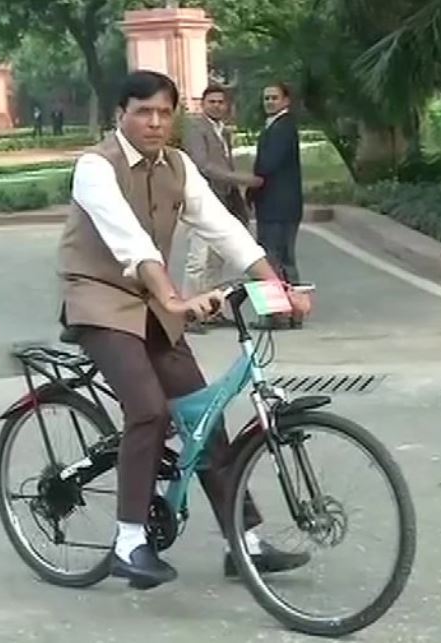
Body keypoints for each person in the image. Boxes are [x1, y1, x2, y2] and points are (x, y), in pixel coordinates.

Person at [56, 70, 312, 589]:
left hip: (153, 301)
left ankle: (245, 541)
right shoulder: (94, 167)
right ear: (119, 115)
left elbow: (222, 227)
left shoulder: (178, 165)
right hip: (99, 299)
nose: (153, 122)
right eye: (142, 112)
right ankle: (130, 541)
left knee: (203, 416)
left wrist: (276, 284)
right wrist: (174, 297)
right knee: (148, 409)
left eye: (163, 113)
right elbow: (130, 242)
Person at [181, 84, 263, 333]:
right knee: (199, 260)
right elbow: (203, 166)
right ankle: (189, 314)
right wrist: (240, 179)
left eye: (220, 102)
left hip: (223, 200)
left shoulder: (222, 130)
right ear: (203, 104)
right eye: (211, 102)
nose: (216, 106)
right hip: (200, 201)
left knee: (216, 260)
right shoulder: (196, 129)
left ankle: (212, 311)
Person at [248, 82, 304, 330]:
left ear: (286, 101)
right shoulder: (278, 126)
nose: (269, 102)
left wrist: (250, 186)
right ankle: (294, 312)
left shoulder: (282, 128)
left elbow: (267, 165)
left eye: (274, 97)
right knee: (284, 259)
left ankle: (276, 314)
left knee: (271, 260)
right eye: (266, 98)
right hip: (282, 204)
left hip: (277, 204)